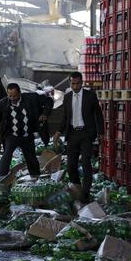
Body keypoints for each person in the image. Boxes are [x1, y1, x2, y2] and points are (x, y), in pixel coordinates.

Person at [53, 72, 104, 203]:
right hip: (72, 134)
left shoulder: (90, 96)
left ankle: (85, 193)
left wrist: (101, 133)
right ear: (70, 83)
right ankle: (77, 187)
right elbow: (65, 117)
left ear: (82, 83)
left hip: (86, 134)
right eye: (73, 84)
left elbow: (98, 115)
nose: (75, 86)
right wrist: (59, 131)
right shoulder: (67, 97)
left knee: (86, 163)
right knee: (71, 166)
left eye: (78, 83)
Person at [0, 83, 53, 178]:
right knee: (6, 156)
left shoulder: (31, 98)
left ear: (20, 93)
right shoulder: (3, 103)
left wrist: (45, 113)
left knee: (31, 158)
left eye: (15, 96)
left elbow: (49, 100)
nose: (12, 98)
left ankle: (36, 178)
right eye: (10, 96)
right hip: (12, 135)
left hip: (27, 135)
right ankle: (1, 179)